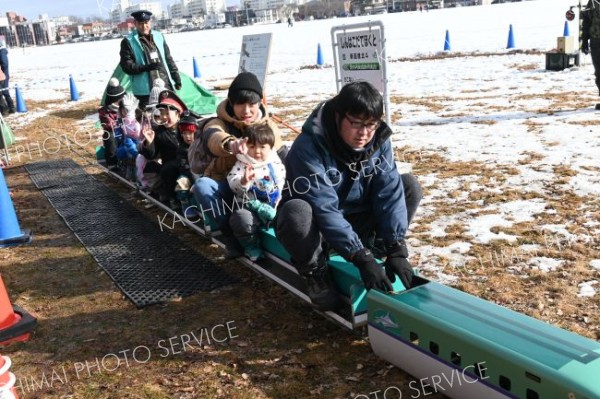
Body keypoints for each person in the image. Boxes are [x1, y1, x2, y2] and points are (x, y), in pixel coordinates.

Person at [275, 81, 422, 311]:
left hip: (358, 217)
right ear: (337, 116)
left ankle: (379, 250)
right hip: (320, 229)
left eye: (371, 125)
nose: (364, 133)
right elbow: (324, 207)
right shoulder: (307, 149)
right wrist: (359, 256)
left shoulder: (378, 140)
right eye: (356, 123)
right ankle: (315, 270)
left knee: (409, 185)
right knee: (296, 211)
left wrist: (396, 247)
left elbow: (389, 190)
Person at [191, 72, 284, 257]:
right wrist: (230, 144)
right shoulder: (219, 122)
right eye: (241, 104)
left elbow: (282, 154)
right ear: (232, 103)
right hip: (226, 186)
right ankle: (230, 235)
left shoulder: (269, 126)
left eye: (252, 104)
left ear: (260, 103)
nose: (247, 110)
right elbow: (213, 137)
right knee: (202, 186)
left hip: (260, 188)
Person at [227, 123, 286, 261]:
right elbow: (232, 181)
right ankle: (251, 246)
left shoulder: (274, 162)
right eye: (252, 147)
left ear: (270, 147)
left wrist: (280, 196)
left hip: (272, 203)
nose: (257, 151)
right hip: (249, 205)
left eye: (262, 147)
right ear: (245, 147)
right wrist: (243, 181)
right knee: (241, 218)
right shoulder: (242, 163)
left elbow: (281, 179)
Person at [119, 10, 182, 110]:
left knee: (170, 114)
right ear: (135, 23)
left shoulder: (159, 36)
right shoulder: (128, 42)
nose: (144, 26)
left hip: (165, 85)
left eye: (146, 23)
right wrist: (146, 67)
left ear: (150, 22)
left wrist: (176, 77)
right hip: (144, 91)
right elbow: (126, 66)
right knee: (149, 120)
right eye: (140, 23)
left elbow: (168, 58)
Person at [140, 89, 187, 206]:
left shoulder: (185, 128)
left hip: (187, 161)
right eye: (162, 114)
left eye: (167, 114)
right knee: (168, 169)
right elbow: (151, 155)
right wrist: (149, 142)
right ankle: (172, 198)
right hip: (170, 165)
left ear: (178, 114)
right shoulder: (159, 132)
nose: (164, 117)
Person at [98, 78, 126, 169]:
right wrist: (119, 123)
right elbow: (107, 125)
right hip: (114, 132)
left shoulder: (126, 108)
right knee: (109, 136)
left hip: (127, 131)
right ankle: (112, 162)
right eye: (120, 99)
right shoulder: (105, 111)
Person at [582, 0, 600, 109]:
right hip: (596, 42)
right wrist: (584, 40)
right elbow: (587, 21)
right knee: (599, 72)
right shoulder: (593, 2)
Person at [0, 38, 15, 115]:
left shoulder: (2, 52)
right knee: (3, 92)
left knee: (4, 92)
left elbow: (5, 64)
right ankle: (9, 108)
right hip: (3, 75)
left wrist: (2, 71)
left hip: (3, 75)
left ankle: (10, 108)